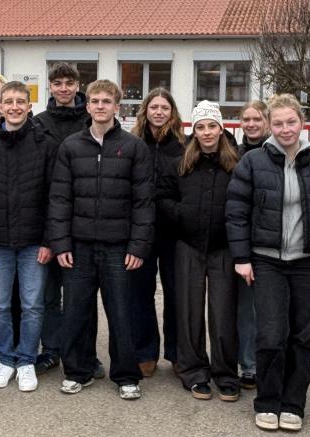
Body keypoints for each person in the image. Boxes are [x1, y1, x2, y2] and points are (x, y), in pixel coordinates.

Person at [226, 94, 310, 432]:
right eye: (277, 123)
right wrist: (241, 257)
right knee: (271, 334)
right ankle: (267, 400)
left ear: (301, 122)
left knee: (304, 335)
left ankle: (293, 404)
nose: (285, 129)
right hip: (267, 261)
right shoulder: (252, 163)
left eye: (290, 122)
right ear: (269, 125)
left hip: (309, 263)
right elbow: (236, 212)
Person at [47, 79, 154, 400]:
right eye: (95, 101)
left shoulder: (134, 148)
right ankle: (78, 371)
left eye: (107, 101)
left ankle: (125, 375)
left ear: (117, 107)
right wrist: (61, 243)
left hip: (119, 248)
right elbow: (59, 199)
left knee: (121, 313)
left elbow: (143, 203)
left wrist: (138, 245)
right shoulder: (71, 146)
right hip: (77, 247)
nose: (100, 106)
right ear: (87, 105)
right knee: (76, 312)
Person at [0, 81, 55, 391]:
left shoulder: (45, 144)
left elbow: (53, 198)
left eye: (21, 101)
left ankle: (27, 360)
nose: (15, 106)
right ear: (0, 106)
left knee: (32, 305)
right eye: (9, 101)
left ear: (29, 106)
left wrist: (49, 240)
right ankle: (6, 359)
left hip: (34, 242)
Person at [156, 100, 240, 401]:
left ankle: (226, 373)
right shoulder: (180, 162)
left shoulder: (236, 162)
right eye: (201, 126)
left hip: (224, 247)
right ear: (194, 129)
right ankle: (194, 371)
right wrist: (182, 216)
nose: (206, 132)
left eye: (212, 126)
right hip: (188, 245)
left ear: (221, 128)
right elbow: (162, 198)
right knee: (189, 310)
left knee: (223, 313)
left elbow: (246, 201)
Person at [32, 62, 102, 379]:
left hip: (84, 219)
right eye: (57, 82)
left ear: (78, 85)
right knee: (48, 295)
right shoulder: (38, 123)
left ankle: (86, 355)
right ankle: (51, 350)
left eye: (69, 82)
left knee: (82, 297)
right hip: (46, 217)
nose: (63, 88)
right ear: (50, 86)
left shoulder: (92, 120)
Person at [128, 87, 184, 376]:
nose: (159, 112)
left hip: (174, 232)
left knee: (176, 293)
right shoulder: (133, 143)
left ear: (172, 112)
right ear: (145, 111)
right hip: (140, 231)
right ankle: (145, 351)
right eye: (154, 107)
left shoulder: (185, 145)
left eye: (164, 107)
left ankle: (176, 352)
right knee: (140, 293)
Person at [233, 99, 269, 390]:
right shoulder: (234, 153)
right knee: (244, 307)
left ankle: (257, 362)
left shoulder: (276, 152)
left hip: (266, 241)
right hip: (239, 239)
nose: (251, 124)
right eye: (246, 119)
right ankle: (247, 362)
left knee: (262, 309)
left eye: (257, 119)